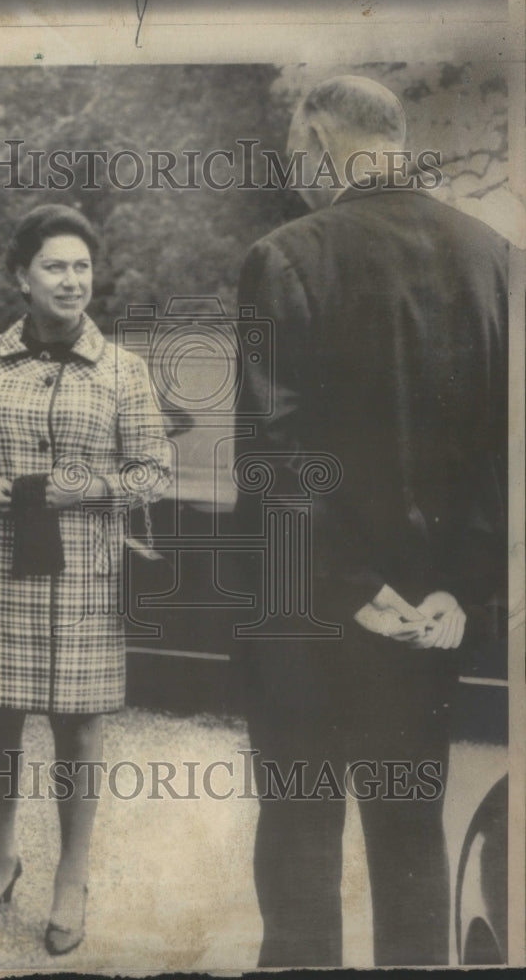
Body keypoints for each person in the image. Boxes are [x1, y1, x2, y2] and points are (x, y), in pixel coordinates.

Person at [234, 76, 507, 967]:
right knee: (412, 836)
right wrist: (462, 590)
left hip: (309, 620)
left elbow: (275, 460)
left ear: (319, 139)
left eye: (292, 150)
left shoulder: (285, 257)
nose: (292, 169)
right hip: (433, 620)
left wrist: (352, 587)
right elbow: (507, 453)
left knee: (301, 839)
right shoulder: (496, 259)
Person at [0, 203, 171, 956]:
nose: (72, 281)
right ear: (21, 277)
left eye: (82, 267)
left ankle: (72, 876)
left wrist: (92, 488)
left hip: (85, 574)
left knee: (79, 724)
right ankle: (2, 860)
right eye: (55, 266)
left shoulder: (123, 369)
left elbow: (155, 471)